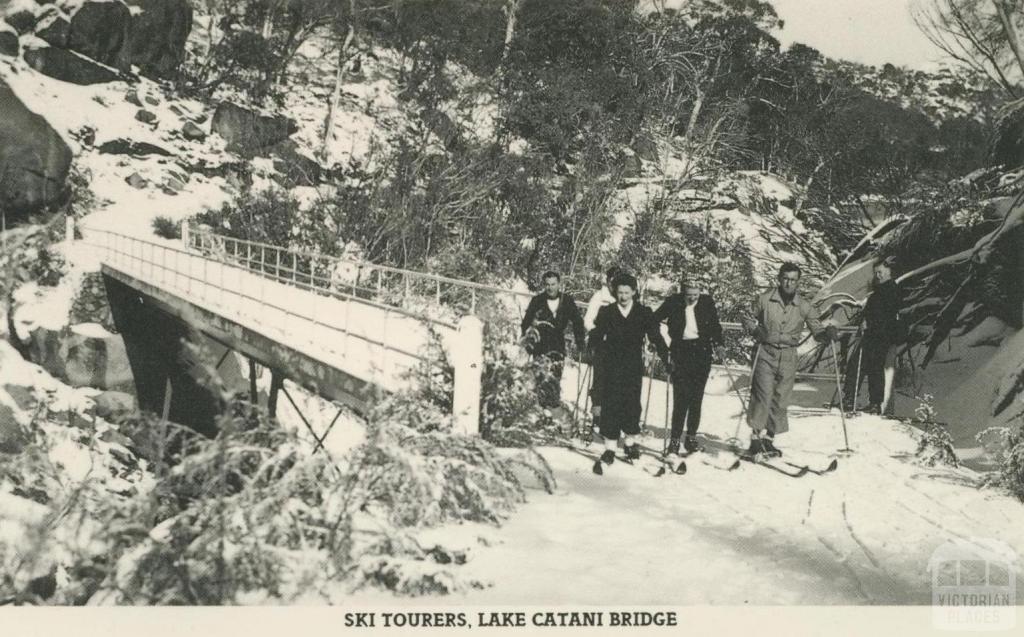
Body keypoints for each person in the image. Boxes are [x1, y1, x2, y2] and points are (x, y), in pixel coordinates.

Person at [743, 263, 837, 458]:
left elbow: (817, 330)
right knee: (763, 395)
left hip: (788, 356)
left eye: (793, 280)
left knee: (780, 399)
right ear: (779, 278)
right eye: (785, 278)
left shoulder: (804, 306)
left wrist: (827, 333)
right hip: (765, 353)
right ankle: (754, 440)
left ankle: (768, 440)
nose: (788, 283)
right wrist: (755, 329)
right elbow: (746, 317)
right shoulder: (765, 300)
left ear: (798, 282)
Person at [589, 272, 670, 466]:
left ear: (634, 292)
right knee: (611, 403)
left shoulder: (643, 312)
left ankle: (630, 443)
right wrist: (592, 344)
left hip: (633, 365)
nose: (623, 296)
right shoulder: (607, 312)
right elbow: (598, 333)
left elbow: (655, 336)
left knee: (631, 403)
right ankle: (609, 448)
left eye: (626, 292)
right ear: (615, 292)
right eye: (620, 292)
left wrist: (666, 356)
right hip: (612, 363)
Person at [653, 281, 724, 455]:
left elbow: (715, 327)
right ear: (682, 292)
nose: (692, 298)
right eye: (689, 295)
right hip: (680, 352)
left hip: (702, 353)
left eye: (696, 294)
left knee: (696, 397)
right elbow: (652, 320)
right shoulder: (673, 302)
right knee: (681, 398)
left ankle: (691, 437)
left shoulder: (707, 303)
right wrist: (659, 344)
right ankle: (675, 440)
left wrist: (719, 344)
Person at [521, 271, 587, 422]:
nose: (550, 288)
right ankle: (543, 411)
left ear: (559, 284)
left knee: (555, 377)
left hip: (557, 344)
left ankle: (553, 409)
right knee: (541, 377)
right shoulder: (537, 300)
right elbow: (526, 322)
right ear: (544, 285)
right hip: (540, 344)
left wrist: (580, 342)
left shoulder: (567, 301)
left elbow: (577, 322)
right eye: (547, 285)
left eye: (553, 284)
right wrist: (528, 342)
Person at [856, 256, 903, 416]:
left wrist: (870, 323)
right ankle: (872, 402)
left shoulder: (890, 290)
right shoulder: (880, 291)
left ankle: (876, 403)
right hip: (876, 334)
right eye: (876, 272)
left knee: (875, 368)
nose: (878, 275)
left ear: (889, 271)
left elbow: (886, 315)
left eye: (881, 272)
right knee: (871, 367)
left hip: (882, 335)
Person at [583, 266, 621, 430]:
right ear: (607, 281)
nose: (615, 285)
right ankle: (597, 415)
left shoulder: (623, 297)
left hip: (618, 347)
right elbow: (588, 320)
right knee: (600, 380)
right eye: (612, 281)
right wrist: (597, 334)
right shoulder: (600, 296)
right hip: (602, 344)